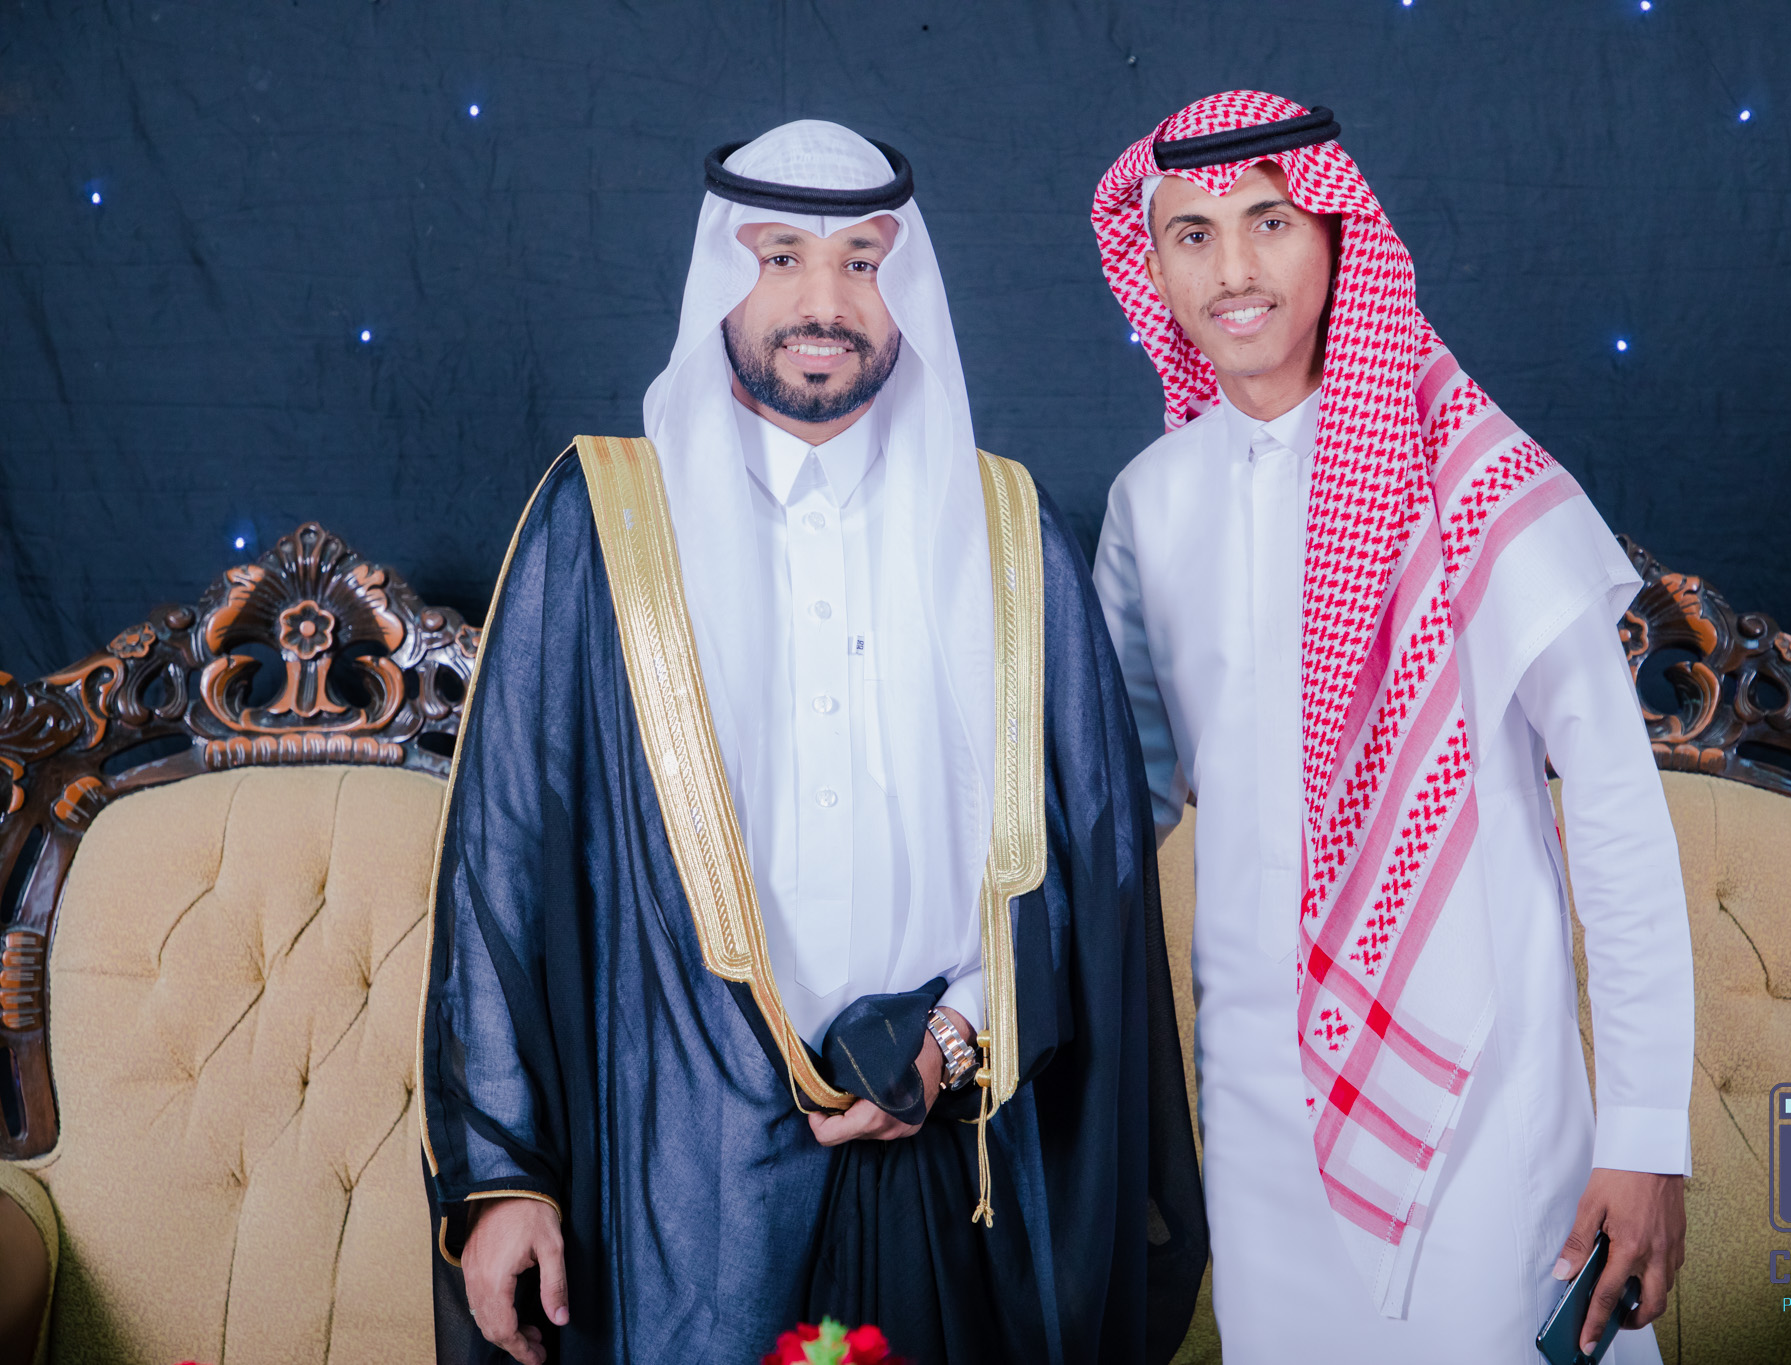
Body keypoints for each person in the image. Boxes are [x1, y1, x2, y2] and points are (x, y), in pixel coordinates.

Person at [417, 119, 1205, 1365]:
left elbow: (1087, 854)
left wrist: (955, 1034)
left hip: (952, 1153)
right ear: (721, 278)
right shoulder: (603, 522)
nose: (823, 302)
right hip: (678, 1174)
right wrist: (503, 1174)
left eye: (862, 262)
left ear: (908, 286)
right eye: (780, 257)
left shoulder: (1007, 531)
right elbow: (500, 864)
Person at [1089, 92, 1694, 1362]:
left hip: (1480, 1088)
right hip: (1255, 1102)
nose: (1232, 269)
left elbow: (1616, 807)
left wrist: (1643, 1135)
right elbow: (1112, 813)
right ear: (1151, 267)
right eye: (1191, 234)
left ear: (1334, 235)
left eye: (1268, 221)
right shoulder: (1150, 504)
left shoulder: (1474, 476)